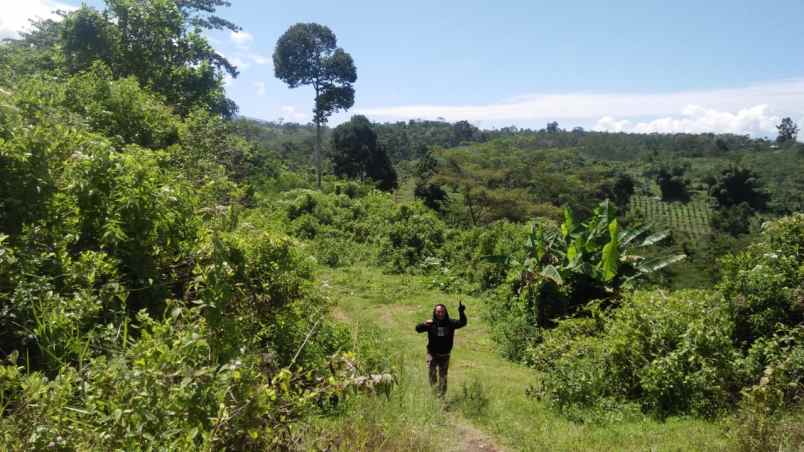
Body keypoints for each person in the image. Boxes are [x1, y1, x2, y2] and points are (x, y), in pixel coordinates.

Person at [415, 301, 467, 397]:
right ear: (435, 312)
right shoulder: (431, 324)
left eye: (442, 311)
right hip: (432, 354)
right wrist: (425, 324)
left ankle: (441, 396)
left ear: (445, 312)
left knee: (443, 376)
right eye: (438, 312)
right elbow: (417, 329)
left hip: (445, 355)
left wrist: (461, 312)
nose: (440, 314)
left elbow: (462, 323)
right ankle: (434, 394)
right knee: (432, 373)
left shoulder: (450, 323)